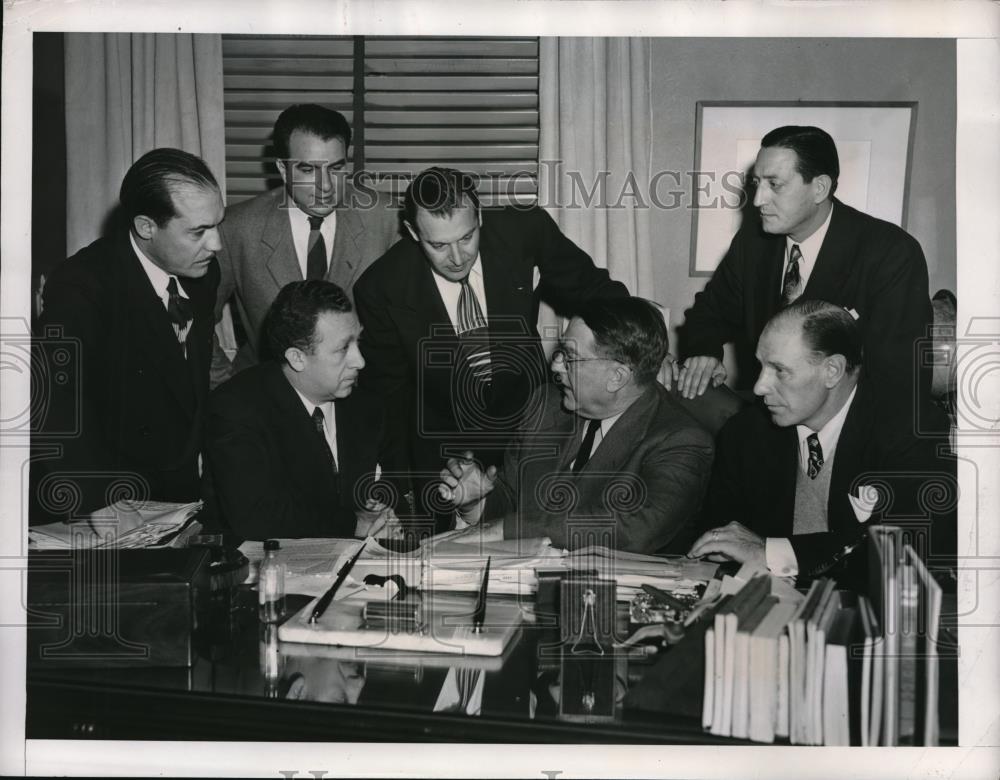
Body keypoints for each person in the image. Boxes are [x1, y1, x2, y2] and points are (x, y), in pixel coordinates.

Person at [353, 167, 628, 525]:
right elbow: (390, 399)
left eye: (467, 237)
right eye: (438, 245)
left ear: (480, 215)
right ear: (411, 232)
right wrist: (400, 487)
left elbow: (596, 291)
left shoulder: (523, 230)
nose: (456, 257)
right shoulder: (381, 287)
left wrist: (640, 350)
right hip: (441, 447)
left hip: (529, 428)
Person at [676, 125, 932, 422]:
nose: (758, 199)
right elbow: (707, 315)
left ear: (820, 188)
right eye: (757, 182)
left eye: (775, 184)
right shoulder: (752, 244)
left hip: (851, 428)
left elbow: (900, 380)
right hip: (770, 417)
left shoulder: (891, 252)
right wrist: (704, 353)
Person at [688, 299, 954, 581]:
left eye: (779, 370)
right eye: (761, 366)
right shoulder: (745, 432)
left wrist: (772, 553)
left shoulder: (909, 429)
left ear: (832, 371)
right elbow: (720, 541)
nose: (759, 386)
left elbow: (906, 550)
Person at [31, 148, 224, 521]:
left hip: (179, 488)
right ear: (146, 227)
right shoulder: (81, 286)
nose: (216, 244)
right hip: (110, 495)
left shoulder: (202, 272)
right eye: (199, 231)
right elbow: (57, 406)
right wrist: (99, 506)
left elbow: (185, 384)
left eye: (217, 225)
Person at [438, 297, 714, 554]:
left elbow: (638, 529)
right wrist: (476, 502)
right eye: (560, 352)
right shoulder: (545, 405)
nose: (556, 366)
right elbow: (513, 503)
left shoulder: (681, 439)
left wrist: (511, 530)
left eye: (569, 356)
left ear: (616, 377)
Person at [213, 103, 400, 379]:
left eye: (336, 168)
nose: (325, 186)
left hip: (363, 396)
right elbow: (196, 320)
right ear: (282, 167)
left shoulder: (387, 218)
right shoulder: (236, 228)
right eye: (308, 170)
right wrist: (224, 387)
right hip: (267, 396)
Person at [202, 280, 397, 541]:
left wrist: (387, 515)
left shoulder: (365, 406)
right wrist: (354, 523)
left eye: (358, 342)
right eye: (343, 349)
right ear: (297, 358)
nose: (359, 361)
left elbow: (393, 490)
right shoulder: (236, 409)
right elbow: (256, 518)